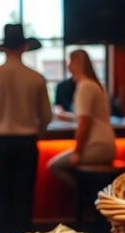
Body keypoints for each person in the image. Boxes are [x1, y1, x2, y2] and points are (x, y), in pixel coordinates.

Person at [0, 24, 53, 233]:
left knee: (2, 197)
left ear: (3, 48)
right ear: (24, 47)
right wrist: (39, 133)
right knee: (24, 196)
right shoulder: (36, 78)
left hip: (0, 142)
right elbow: (46, 116)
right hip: (27, 142)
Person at [48, 50, 117, 188]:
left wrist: (78, 152)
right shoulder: (94, 84)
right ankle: (91, 192)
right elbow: (84, 117)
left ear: (78, 64)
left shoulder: (85, 86)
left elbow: (84, 122)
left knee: (55, 166)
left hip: (97, 146)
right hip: (106, 145)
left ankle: (85, 193)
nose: (68, 66)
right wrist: (60, 115)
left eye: (70, 61)